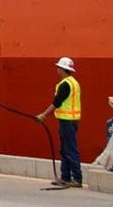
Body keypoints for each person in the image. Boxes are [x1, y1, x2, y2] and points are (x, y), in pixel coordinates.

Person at [36, 56, 82, 187]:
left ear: (62, 69)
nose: (57, 69)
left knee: (70, 149)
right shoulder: (74, 82)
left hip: (67, 121)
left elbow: (57, 102)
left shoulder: (65, 84)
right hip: (69, 120)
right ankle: (65, 177)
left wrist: (43, 115)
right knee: (65, 149)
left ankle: (77, 178)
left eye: (58, 67)